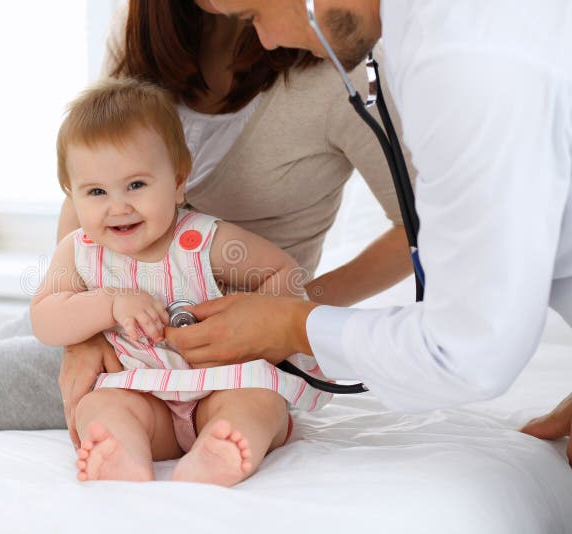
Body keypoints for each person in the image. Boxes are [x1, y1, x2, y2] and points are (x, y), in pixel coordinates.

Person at [160, 0, 572, 464]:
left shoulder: (467, 60)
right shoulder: (420, 40)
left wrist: (291, 323)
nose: (267, 41)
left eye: (254, 16)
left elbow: (466, 352)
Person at [56, 0, 415, 449]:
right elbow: (87, 178)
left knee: (247, 410)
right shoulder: (143, 29)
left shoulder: (336, 62)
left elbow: (421, 231)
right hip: (112, 335)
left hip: (230, 360)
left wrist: (293, 316)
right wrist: (82, 334)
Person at [33, 78, 329, 486]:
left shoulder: (203, 240)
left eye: (136, 185)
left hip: (221, 382)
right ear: (72, 194)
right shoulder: (79, 250)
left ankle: (224, 445)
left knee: (260, 400)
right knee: (99, 406)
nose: (118, 206)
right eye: (96, 191)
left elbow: (283, 272)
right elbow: (45, 319)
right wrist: (109, 302)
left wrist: (254, 324)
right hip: (141, 390)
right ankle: (123, 452)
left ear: (177, 182)